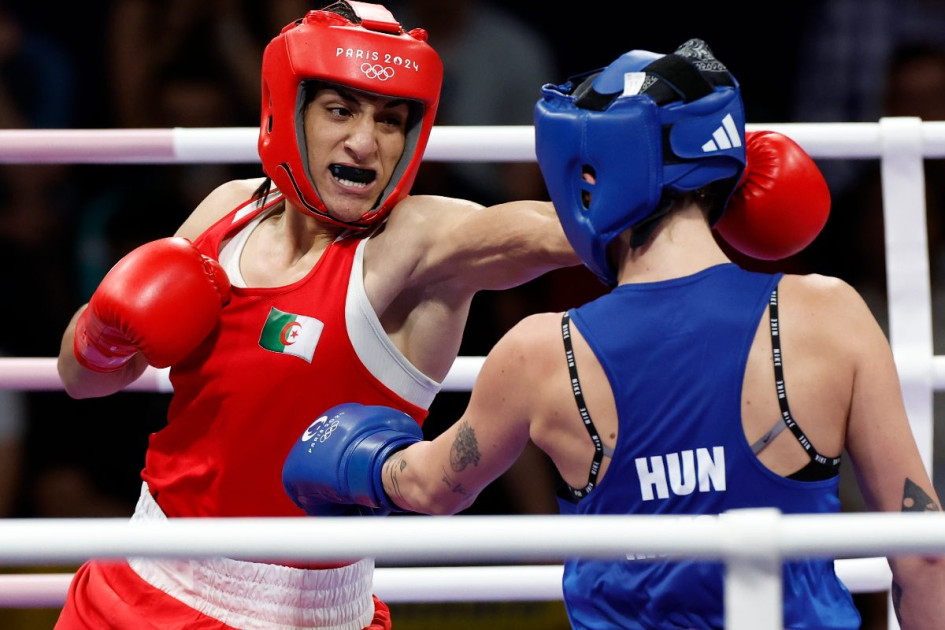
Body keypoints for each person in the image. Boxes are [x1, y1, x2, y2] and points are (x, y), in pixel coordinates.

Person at [282, 39, 945, 629]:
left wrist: (357, 455)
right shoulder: (828, 314)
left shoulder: (543, 354)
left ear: (591, 177)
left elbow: (429, 486)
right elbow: (921, 553)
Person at [54, 2, 577, 629]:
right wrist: (102, 331)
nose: (366, 141)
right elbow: (85, 381)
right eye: (340, 110)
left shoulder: (410, 244)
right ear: (288, 110)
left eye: (391, 119)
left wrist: (664, 188)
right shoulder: (228, 212)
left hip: (297, 614)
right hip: (133, 586)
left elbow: (540, 232)